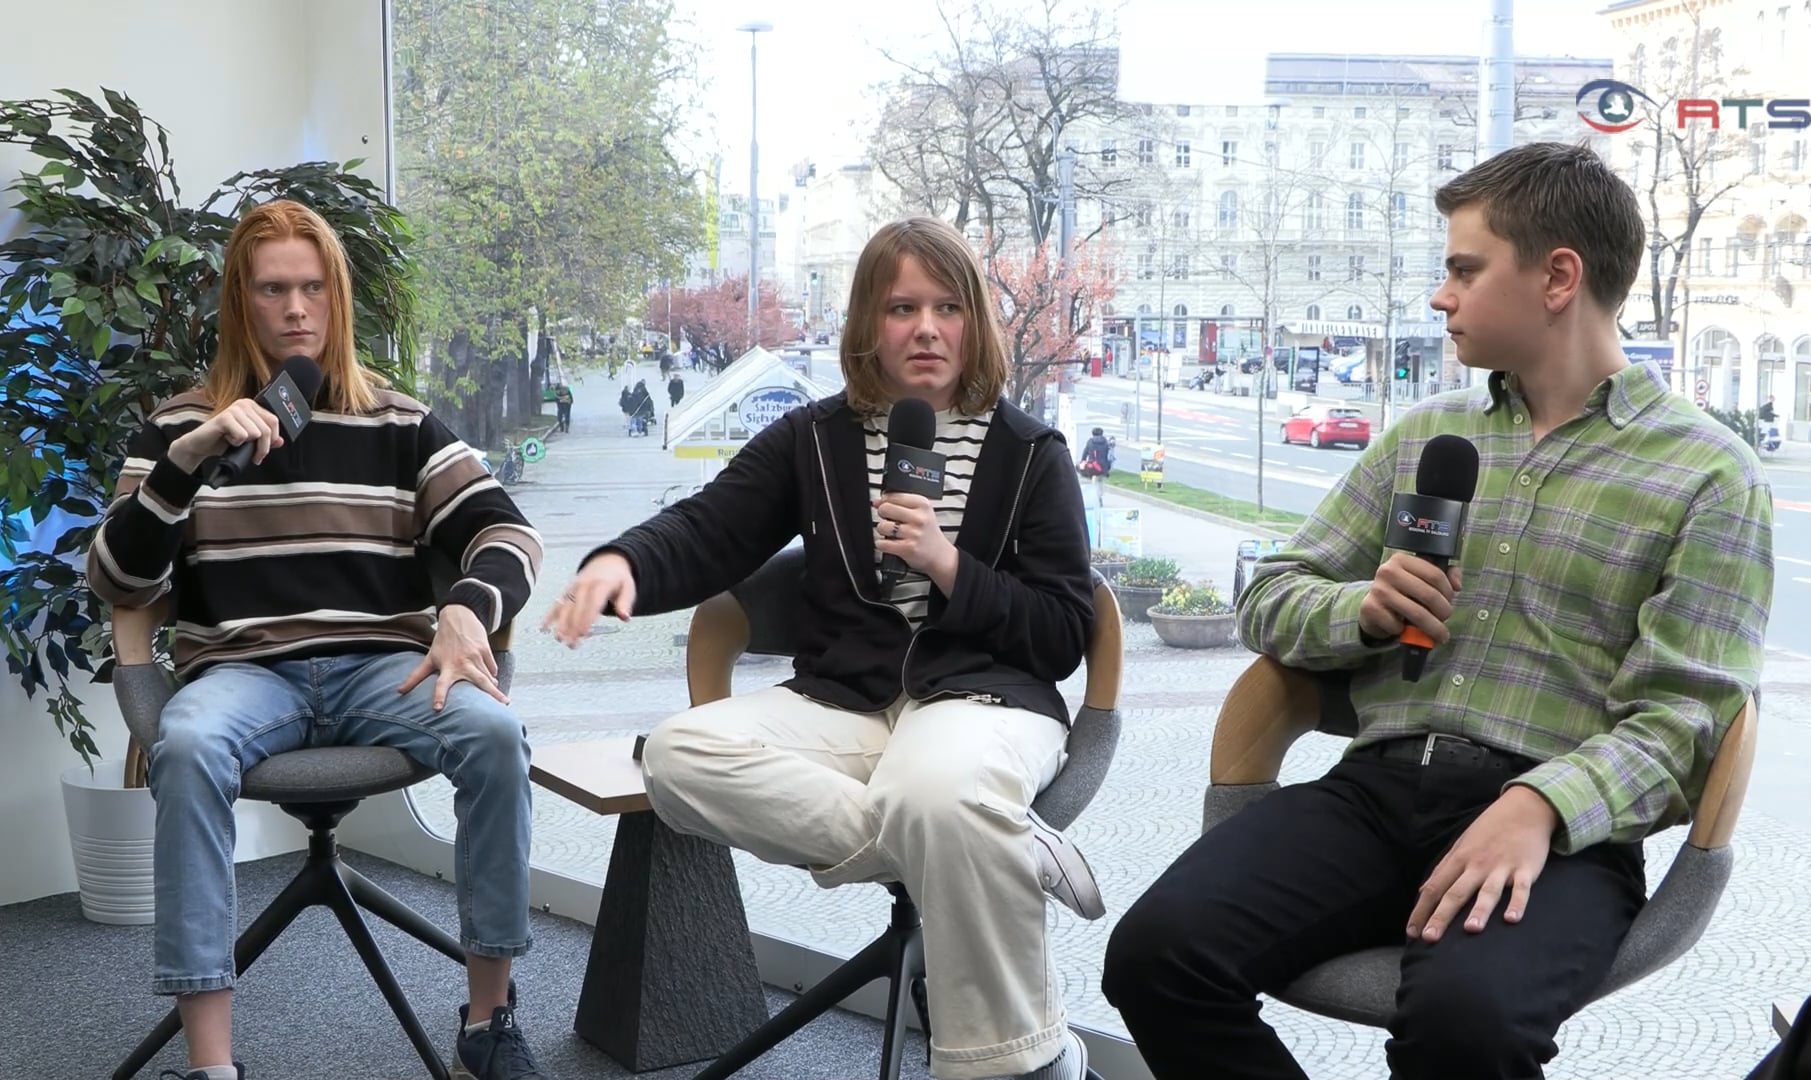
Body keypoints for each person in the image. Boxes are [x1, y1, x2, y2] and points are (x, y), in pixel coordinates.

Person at [1103, 142, 1774, 1079]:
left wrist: (1542, 803)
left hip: (1565, 835)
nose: (1439, 294)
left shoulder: (1708, 474)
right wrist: (1362, 611)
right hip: (1374, 795)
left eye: (1464, 269)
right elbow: (1269, 596)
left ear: (1557, 277)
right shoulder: (1426, 435)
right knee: (1154, 956)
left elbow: (1689, 717)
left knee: (1470, 1025)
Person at [544, 216, 1101, 1080]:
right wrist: (620, 561)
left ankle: (1019, 1061)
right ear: (867, 328)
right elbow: (709, 527)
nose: (925, 327)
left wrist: (949, 566)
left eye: (947, 306)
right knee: (676, 754)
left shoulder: (1031, 454)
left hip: (983, 701)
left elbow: (1065, 632)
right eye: (901, 306)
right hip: (846, 701)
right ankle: (986, 842)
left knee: (940, 789)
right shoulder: (815, 438)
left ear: (973, 322)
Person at [86, 201, 551, 1080]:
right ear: (240, 301)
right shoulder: (181, 429)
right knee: (184, 746)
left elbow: (510, 535)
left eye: (312, 288)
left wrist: (466, 608)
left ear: (334, 298)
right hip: (245, 675)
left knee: (494, 736)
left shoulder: (397, 420)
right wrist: (189, 462)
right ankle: (211, 1064)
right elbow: (117, 582)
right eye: (273, 290)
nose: (296, 308)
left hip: (384, 667)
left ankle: (488, 1024)